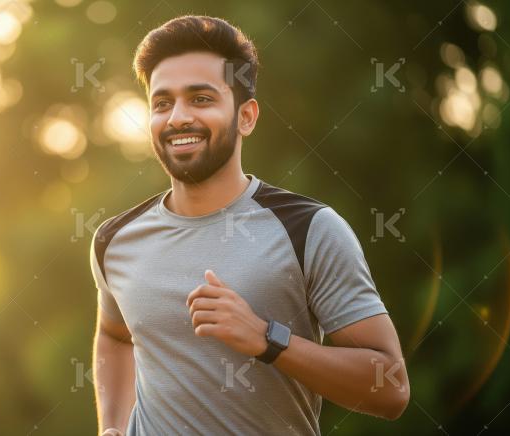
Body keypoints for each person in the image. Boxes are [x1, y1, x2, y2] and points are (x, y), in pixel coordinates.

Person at [90, 15, 410, 435]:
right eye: (162, 103)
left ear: (246, 117)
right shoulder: (115, 240)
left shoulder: (309, 229)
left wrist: (266, 339)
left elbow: (391, 389)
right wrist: (112, 426)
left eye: (201, 99)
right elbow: (115, 335)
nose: (178, 118)